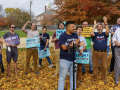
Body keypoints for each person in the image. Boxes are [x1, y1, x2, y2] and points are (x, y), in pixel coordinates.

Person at [58, 21, 85, 90]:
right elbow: (64, 48)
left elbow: (75, 46)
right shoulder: (62, 36)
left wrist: (79, 45)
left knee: (73, 76)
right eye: (73, 27)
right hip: (64, 59)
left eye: (74, 26)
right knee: (62, 77)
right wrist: (71, 45)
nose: (74, 28)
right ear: (67, 27)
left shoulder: (75, 35)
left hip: (73, 59)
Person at [91, 16, 109, 83]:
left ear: (102, 28)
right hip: (95, 52)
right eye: (98, 27)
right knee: (95, 66)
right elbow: (91, 33)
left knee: (104, 66)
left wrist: (106, 23)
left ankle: (104, 79)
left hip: (103, 52)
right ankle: (94, 78)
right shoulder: (95, 34)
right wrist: (94, 25)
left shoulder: (105, 34)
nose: (99, 28)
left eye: (100, 27)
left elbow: (107, 31)